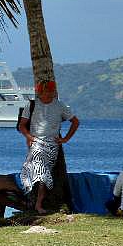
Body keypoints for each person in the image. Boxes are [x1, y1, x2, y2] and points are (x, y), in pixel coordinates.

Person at [18, 81, 80, 214]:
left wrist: (65, 139)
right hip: (36, 144)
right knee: (40, 173)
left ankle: (36, 203)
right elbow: (22, 125)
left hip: (52, 146)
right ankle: (37, 204)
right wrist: (29, 137)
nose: (48, 94)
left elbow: (75, 122)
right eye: (45, 91)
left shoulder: (60, 106)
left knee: (44, 175)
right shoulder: (32, 105)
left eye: (51, 91)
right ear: (40, 92)